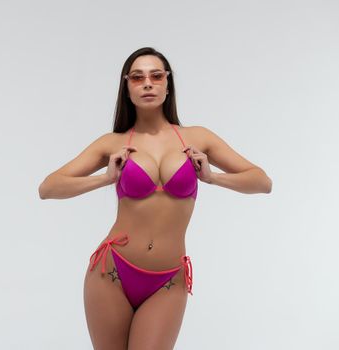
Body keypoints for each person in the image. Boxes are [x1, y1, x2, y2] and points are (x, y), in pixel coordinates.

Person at [38, 47, 272, 350]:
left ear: (167, 83)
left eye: (155, 75)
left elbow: (262, 181)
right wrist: (105, 179)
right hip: (112, 272)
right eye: (138, 77)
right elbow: (48, 187)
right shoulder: (113, 143)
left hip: (168, 280)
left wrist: (213, 178)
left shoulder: (198, 137)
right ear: (127, 87)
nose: (147, 83)